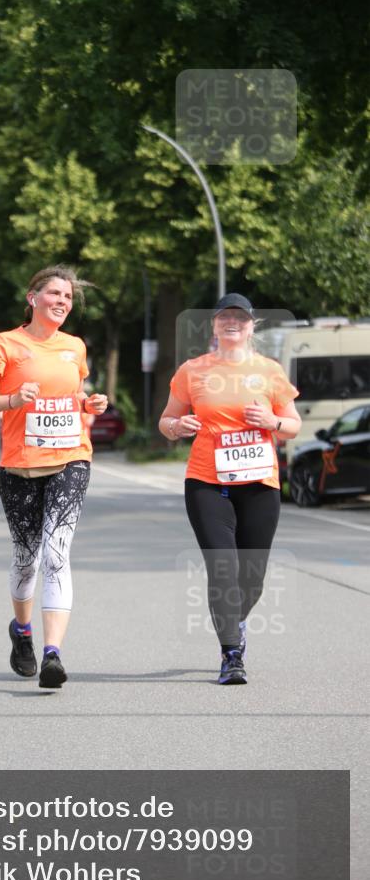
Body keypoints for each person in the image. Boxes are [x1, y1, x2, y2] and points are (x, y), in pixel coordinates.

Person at [0, 264, 108, 689]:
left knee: (57, 553)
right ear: (33, 299)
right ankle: (22, 631)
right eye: (54, 294)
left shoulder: (75, 347)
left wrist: (88, 403)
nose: (62, 301)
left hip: (71, 459)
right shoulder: (6, 343)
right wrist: (11, 399)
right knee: (26, 559)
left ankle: (53, 654)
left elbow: (72, 394)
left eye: (68, 297)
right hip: (20, 464)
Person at [159, 293, 302, 684]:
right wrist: (177, 427)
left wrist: (272, 421)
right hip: (207, 482)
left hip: (259, 484)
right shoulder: (193, 370)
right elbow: (167, 420)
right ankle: (231, 654)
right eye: (225, 317)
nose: (232, 322)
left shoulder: (269, 371)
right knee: (223, 568)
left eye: (241, 317)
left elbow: (293, 425)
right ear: (214, 325)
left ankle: (234, 622)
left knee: (251, 578)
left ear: (252, 326)